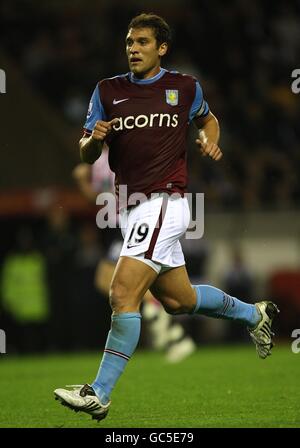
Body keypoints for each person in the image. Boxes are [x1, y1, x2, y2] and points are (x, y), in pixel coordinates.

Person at [54, 13, 279, 421]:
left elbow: (209, 119)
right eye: (128, 42)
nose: (133, 48)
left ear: (161, 48)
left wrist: (210, 141)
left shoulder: (184, 87)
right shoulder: (107, 91)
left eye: (142, 42)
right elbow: (85, 153)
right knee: (179, 300)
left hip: (164, 202)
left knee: (122, 293)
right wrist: (94, 140)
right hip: (127, 208)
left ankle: (99, 393)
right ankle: (254, 313)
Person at [72, 156, 196, 361]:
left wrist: (82, 180)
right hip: (120, 224)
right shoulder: (105, 157)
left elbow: (106, 195)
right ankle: (167, 326)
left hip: (127, 223)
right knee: (116, 282)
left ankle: (167, 324)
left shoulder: (111, 155)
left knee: (109, 282)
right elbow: (100, 198)